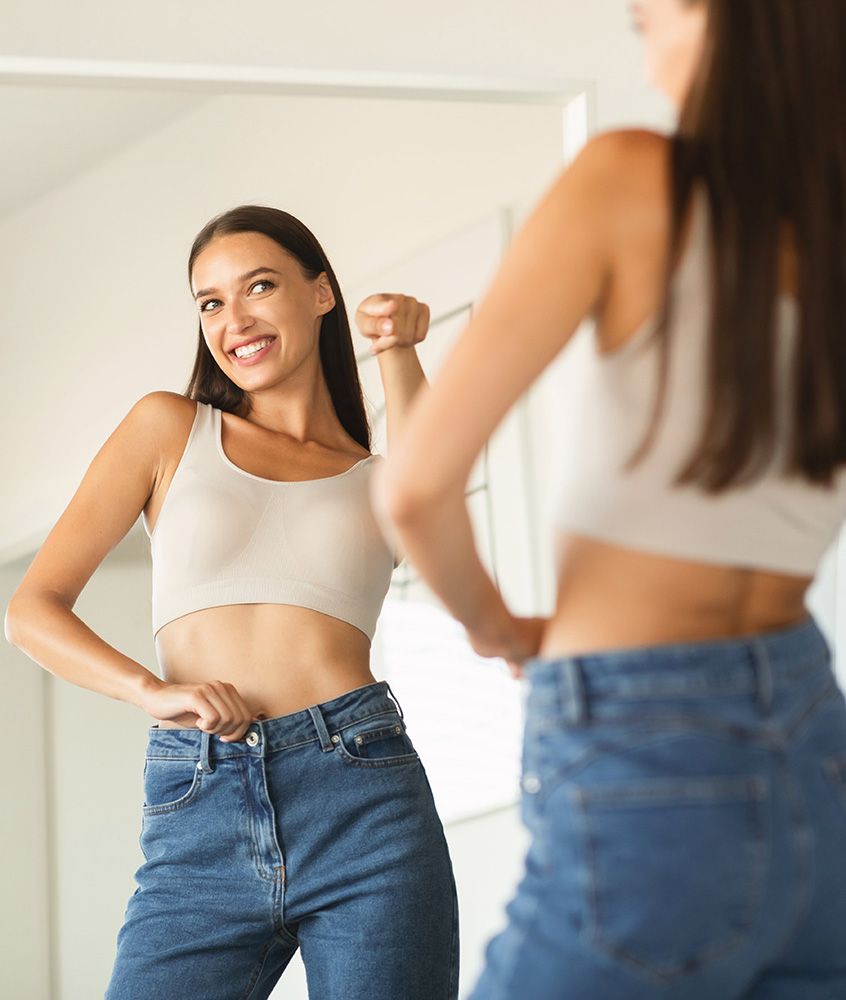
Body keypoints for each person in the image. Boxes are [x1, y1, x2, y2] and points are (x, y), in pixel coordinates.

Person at [371, 1, 846, 997]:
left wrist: (498, 627)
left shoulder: (631, 177)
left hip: (647, 730)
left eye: (652, 17)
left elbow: (414, 485)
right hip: (815, 740)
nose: (642, 37)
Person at [4, 205, 458, 999]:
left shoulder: (376, 478)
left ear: (322, 294)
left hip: (363, 794)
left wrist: (398, 352)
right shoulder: (168, 427)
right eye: (210, 302)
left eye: (258, 287)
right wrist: (153, 690)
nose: (232, 320)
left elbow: (438, 511)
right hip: (197, 797)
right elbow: (33, 608)